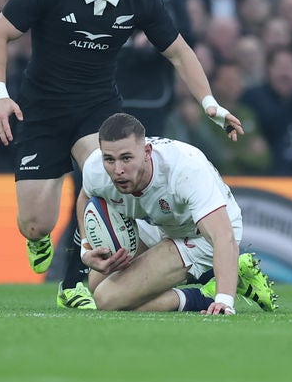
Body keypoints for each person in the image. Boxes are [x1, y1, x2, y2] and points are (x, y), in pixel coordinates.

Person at [0, 0, 241, 310]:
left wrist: (209, 103)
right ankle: (40, 239)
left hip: (96, 107)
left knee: (109, 178)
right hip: (42, 109)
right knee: (35, 223)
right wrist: (0, 95)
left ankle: (74, 284)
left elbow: (179, 52)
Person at [78, 112, 278, 314]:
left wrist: (224, 301)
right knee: (97, 284)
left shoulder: (185, 170)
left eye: (126, 158)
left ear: (147, 151)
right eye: (109, 159)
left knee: (107, 299)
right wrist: (86, 248)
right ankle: (227, 277)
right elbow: (85, 197)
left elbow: (223, 236)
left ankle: (205, 296)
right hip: (159, 223)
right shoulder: (96, 169)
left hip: (199, 236)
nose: (117, 169)